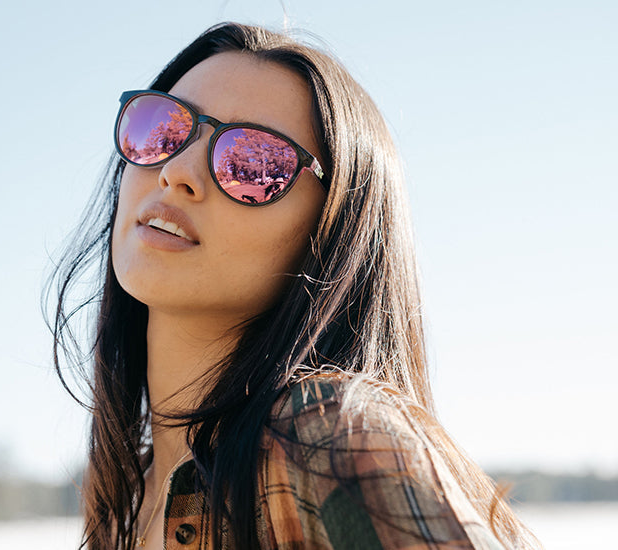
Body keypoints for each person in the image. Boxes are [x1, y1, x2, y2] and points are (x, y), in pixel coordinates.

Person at [47, 22, 540, 549]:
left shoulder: (329, 438)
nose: (178, 171)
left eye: (253, 163)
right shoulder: (127, 505)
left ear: (333, 233)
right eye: (162, 129)